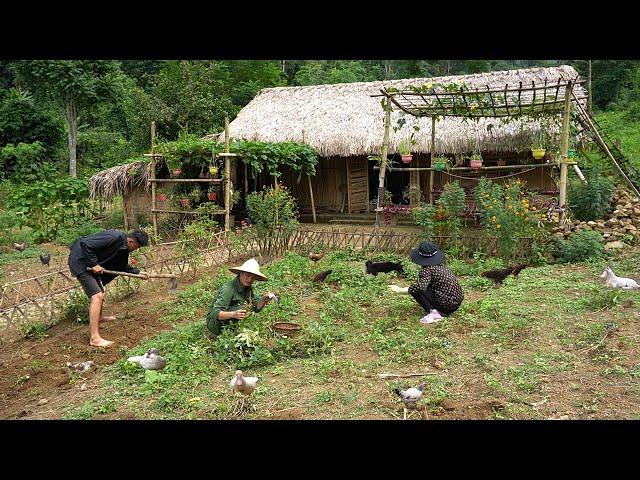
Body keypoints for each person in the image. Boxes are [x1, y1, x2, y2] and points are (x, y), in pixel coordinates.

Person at [67, 229, 149, 347]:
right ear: (131, 241)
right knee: (97, 296)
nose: (136, 249)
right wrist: (94, 264)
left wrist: (138, 273)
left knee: (100, 292)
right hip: (80, 261)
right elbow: (85, 243)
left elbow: (121, 265)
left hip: (90, 263)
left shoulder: (123, 247)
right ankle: (94, 338)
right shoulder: (114, 237)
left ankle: (99, 318)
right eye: (137, 246)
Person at [388, 241, 463, 324]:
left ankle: (435, 314)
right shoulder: (441, 266)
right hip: (456, 302)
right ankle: (439, 308)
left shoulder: (426, 270)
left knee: (416, 290)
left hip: (447, 305)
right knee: (421, 286)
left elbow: (419, 287)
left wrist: (400, 290)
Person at [205, 258, 275, 338]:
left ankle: (234, 330)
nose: (249, 280)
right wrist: (233, 314)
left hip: (230, 323)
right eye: (248, 275)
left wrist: (264, 300)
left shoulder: (248, 287)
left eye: (253, 278)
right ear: (241, 273)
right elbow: (214, 313)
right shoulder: (228, 289)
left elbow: (255, 308)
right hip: (215, 325)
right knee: (242, 308)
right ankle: (224, 334)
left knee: (247, 308)